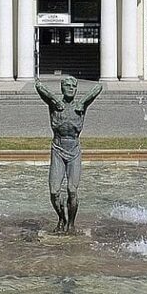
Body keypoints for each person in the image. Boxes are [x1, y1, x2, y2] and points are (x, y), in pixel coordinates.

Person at [35, 74, 102, 233]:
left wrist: (83, 101)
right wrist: (55, 99)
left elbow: (98, 87)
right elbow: (39, 87)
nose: (71, 89)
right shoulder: (54, 105)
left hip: (74, 150)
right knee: (54, 192)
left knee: (72, 190)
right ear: (62, 88)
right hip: (58, 149)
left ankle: (70, 223)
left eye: (74, 86)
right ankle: (61, 217)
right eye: (67, 86)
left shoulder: (81, 106)